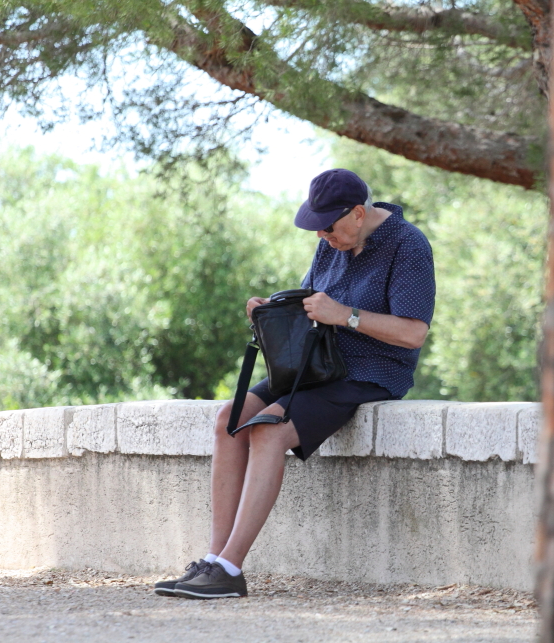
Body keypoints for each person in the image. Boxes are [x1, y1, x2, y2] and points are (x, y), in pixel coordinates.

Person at [153, 168, 436, 599]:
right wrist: (272, 310)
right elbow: (312, 306)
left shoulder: (408, 244)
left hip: (371, 372)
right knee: (229, 418)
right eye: (317, 227)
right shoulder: (331, 243)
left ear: (359, 214)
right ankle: (212, 560)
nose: (323, 235)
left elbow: (414, 332)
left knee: (268, 429)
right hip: (314, 365)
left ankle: (231, 568)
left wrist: (346, 315)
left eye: (329, 226)